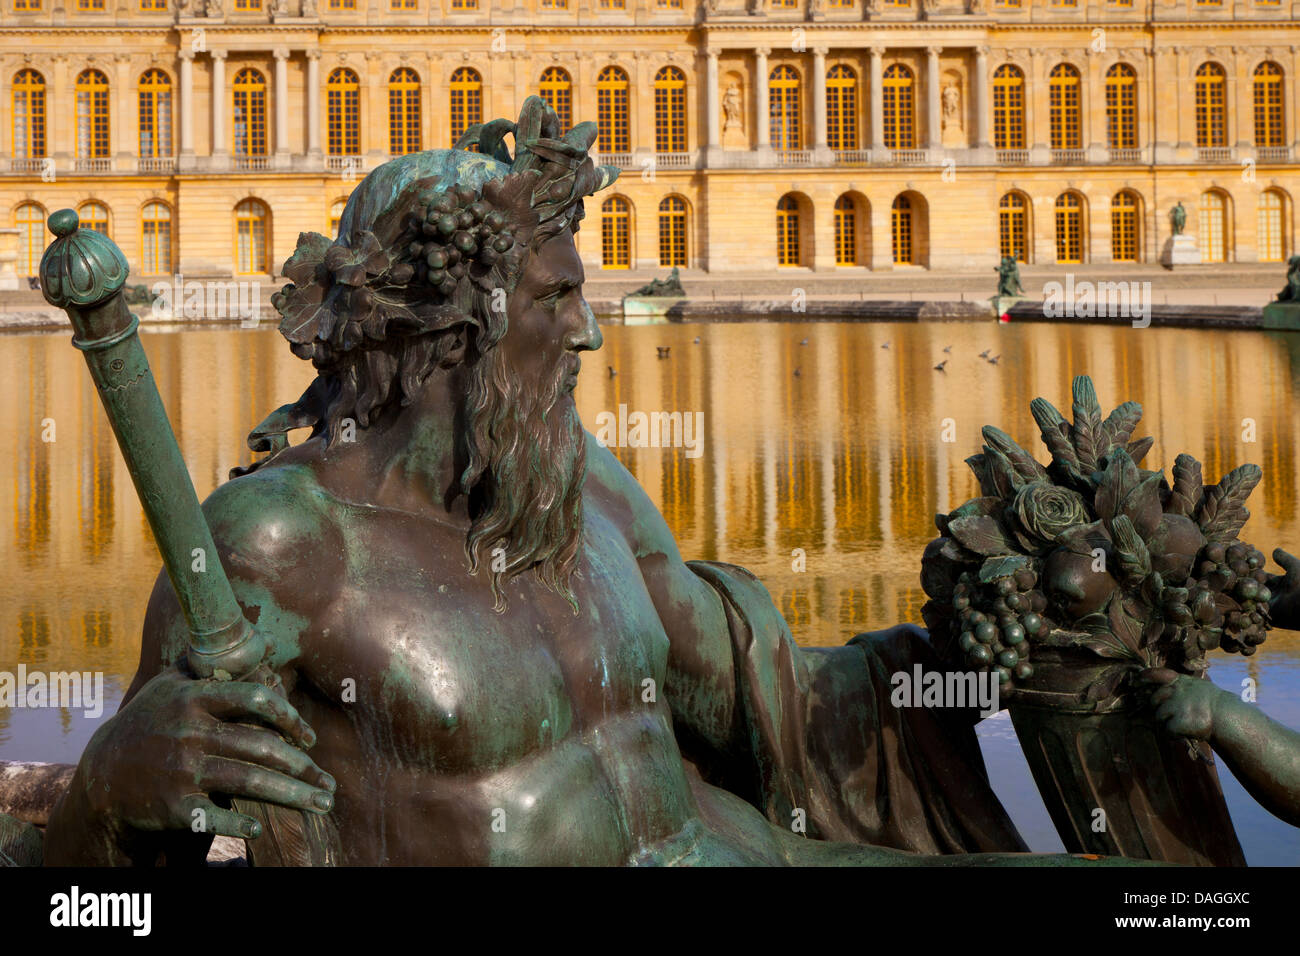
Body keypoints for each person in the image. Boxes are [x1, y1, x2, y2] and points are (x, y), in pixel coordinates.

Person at [45, 99, 1158, 867]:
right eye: (557, 297)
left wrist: (975, 645)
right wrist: (102, 795)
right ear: (457, 318)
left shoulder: (572, 484)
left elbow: (757, 687)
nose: (588, 332)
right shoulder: (280, 547)